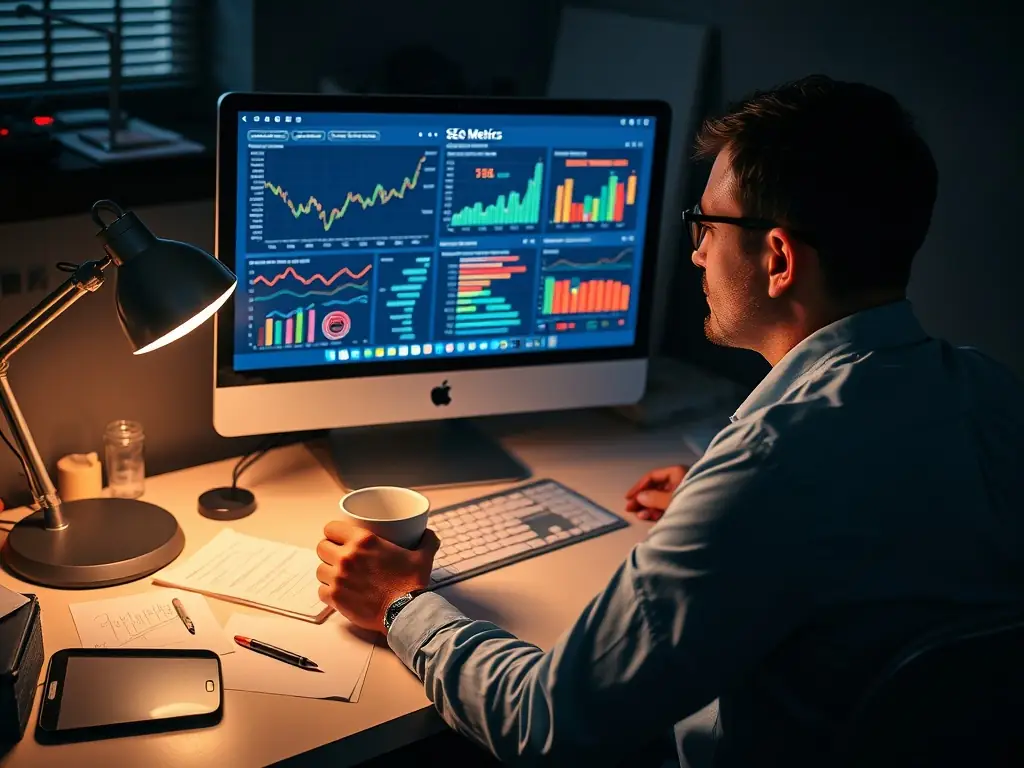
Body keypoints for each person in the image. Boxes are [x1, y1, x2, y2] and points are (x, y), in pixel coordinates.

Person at [314, 75, 1024, 767]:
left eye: (708, 224)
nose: (697, 251)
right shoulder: (991, 392)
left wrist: (402, 604)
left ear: (778, 259)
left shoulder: (770, 463)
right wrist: (717, 505)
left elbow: (544, 723)